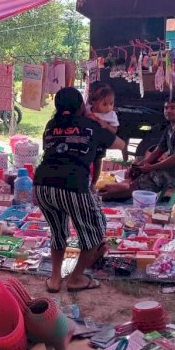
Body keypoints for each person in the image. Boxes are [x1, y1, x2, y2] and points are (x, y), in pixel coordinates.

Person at [33, 87, 126, 292]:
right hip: (73, 185)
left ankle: (55, 279)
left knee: (58, 233)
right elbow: (120, 144)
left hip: (43, 186)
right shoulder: (91, 125)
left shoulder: (50, 125)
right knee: (94, 233)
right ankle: (76, 278)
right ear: (81, 106)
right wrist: (101, 125)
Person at [100, 99, 175, 200]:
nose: (169, 111)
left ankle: (102, 197)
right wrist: (140, 165)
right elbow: (158, 150)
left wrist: (151, 167)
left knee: (138, 185)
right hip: (172, 170)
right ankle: (113, 189)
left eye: (173, 108)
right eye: (166, 108)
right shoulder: (170, 128)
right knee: (136, 171)